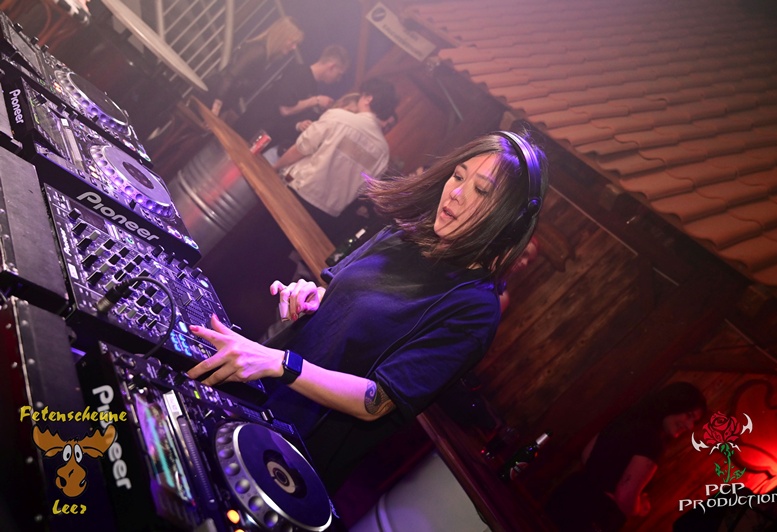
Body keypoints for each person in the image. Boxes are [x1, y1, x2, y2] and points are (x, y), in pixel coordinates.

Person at [186, 131, 549, 491]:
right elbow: (341, 298)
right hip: (256, 392)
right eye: (458, 175)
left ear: (509, 220)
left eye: (481, 190)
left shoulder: (475, 309)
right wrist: (310, 296)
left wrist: (282, 364)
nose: (456, 192)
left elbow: (376, 401)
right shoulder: (402, 237)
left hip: (291, 450)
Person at [546, 381, 707, 531]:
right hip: (593, 514)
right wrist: (639, 507)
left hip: (569, 493)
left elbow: (587, 453)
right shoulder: (653, 442)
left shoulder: (631, 416)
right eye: (689, 415)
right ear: (674, 403)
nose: (690, 426)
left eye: (694, 421)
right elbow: (624, 497)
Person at [273, 78, 399, 242]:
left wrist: (275, 167)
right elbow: (363, 191)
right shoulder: (383, 152)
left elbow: (301, 148)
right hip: (325, 216)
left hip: (299, 194)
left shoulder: (339, 117)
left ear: (368, 98)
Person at [234, 44, 351, 152]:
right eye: (339, 74)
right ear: (331, 67)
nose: (338, 79)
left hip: (264, 137)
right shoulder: (299, 73)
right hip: (251, 128)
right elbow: (285, 109)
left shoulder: (313, 86)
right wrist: (316, 100)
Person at [208, 16, 304, 116]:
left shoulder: (264, 54)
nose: (294, 47)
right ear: (281, 37)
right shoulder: (258, 51)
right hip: (214, 98)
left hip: (221, 99)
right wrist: (216, 107)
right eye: (293, 42)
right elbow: (229, 76)